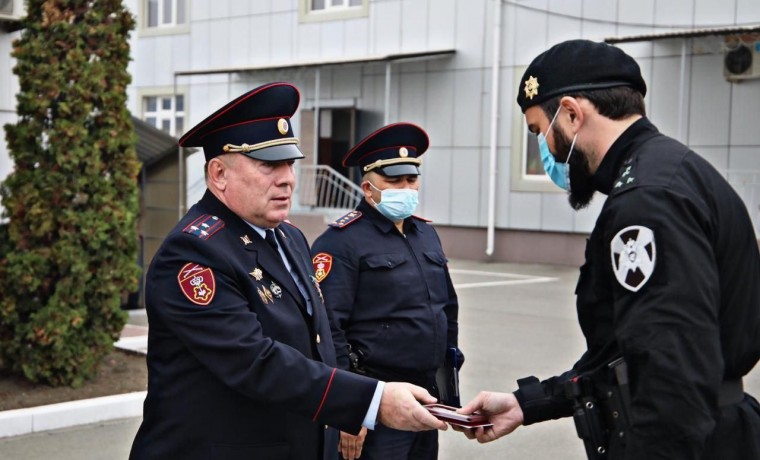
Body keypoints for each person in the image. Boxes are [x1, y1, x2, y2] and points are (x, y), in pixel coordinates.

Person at [456, 40, 760, 459]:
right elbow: (624, 354)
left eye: (539, 132)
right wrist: (530, 403)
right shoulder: (673, 171)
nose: (547, 151)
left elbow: (669, 375)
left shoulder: (647, 202)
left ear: (572, 114)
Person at [129, 83, 448, 460]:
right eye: (268, 165)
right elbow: (254, 361)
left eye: (289, 163)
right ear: (218, 174)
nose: (286, 179)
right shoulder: (193, 252)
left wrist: (347, 414)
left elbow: (321, 335)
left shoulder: (290, 237)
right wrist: (370, 400)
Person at [311, 122, 463, 460]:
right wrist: (348, 411)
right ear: (368, 187)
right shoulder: (340, 242)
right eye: (394, 181)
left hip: (426, 396)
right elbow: (327, 330)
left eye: (411, 180)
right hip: (377, 402)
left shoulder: (425, 234)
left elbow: (445, 308)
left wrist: (449, 388)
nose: (406, 188)